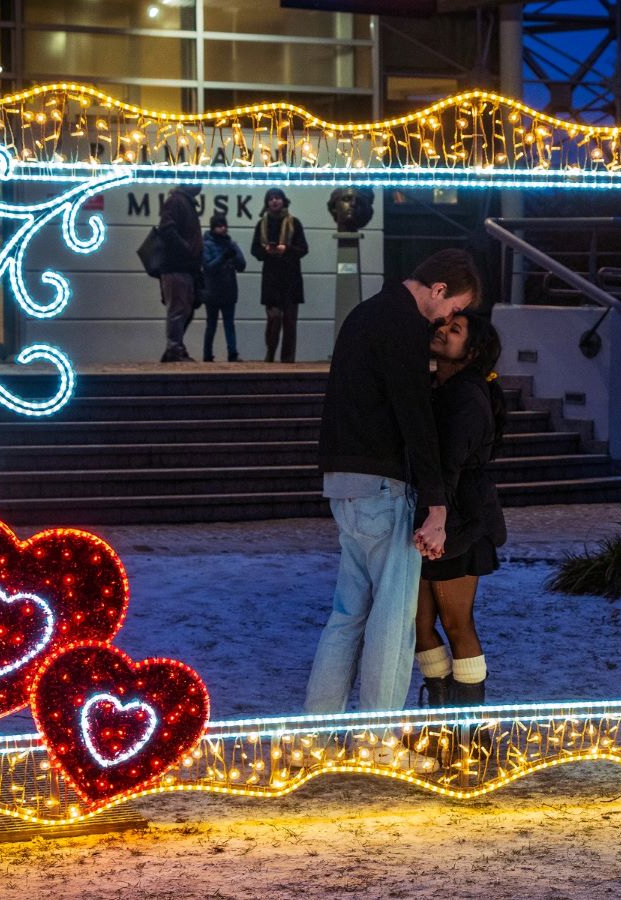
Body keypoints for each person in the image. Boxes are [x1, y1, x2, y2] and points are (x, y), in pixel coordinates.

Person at [305, 248, 483, 716]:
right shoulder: (403, 324)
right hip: (383, 484)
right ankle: (380, 738)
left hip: (343, 481)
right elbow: (415, 416)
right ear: (439, 290)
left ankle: (316, 730)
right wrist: (437, 504)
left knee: (347, 615)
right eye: (454, 308)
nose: (448, 319)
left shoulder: (365, 314)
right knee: (392, 618)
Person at [414, 311, 507, 708]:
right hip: (434, 514)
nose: (443, 332)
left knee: (456, 622)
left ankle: (467, 729)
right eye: (444, 326)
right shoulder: (439, 386)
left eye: (455, 331)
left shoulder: (467, 394)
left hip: (460, 519)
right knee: (418, 624)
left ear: (473, 351)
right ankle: (440, 712)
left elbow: (449, 463)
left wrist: (439, 518)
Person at [251, 187, 308, 363]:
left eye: (277, 198)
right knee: (274, 319)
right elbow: (255, 250)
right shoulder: (262, 224)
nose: (274, 201)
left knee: (290, 323)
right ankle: (270, 354)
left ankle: (288, 360)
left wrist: (286, 249)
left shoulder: (294, 222)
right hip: (271, 280)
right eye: (271, 199)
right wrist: (267, 250)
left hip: (291, 279)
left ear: (284, 201)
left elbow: (303, 249)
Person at [157, 184, 204, 363]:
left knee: (185, 309)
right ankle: (174, 349)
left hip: (185, 266)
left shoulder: (183, 202)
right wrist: (186, 249)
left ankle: (174, 348)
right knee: (179, 309)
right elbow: (166, 229)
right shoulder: (177, 201)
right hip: (177, 265)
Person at [201, 212, 247, 362]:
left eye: (224, 225)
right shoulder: (207, 245)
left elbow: (242, 265)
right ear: (213, 227)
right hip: (213, 292)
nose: (222, 229)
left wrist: (233, 256)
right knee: (212, 325)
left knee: (228, 324)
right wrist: (225, 257)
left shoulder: (231, 244)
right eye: (219, 226)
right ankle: (208, 354)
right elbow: (208, 267)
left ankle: (232, 353)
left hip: (227, 291)